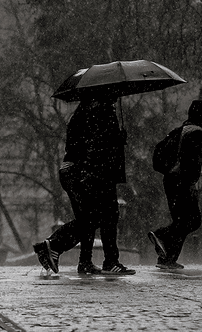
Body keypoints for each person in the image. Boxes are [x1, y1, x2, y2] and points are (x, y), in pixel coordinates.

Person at [33, 96, 135, 275]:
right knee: (99, 216)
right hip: (88, 172)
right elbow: (97, 146)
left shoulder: (84, 113)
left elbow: (87, 144)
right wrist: (117, 140)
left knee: (91, 217)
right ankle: (55, 246)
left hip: (81, 171)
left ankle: (84, 260)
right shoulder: (99, 113)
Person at [148, 99, 202, 269]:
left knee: (183, 221)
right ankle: (161, 235)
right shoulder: (196, 132)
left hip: (172, 180)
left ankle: (168, 258)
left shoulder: (181, 129)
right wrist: (190, 183)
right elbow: (190, 161)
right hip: (182, 181)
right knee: (191, 221)